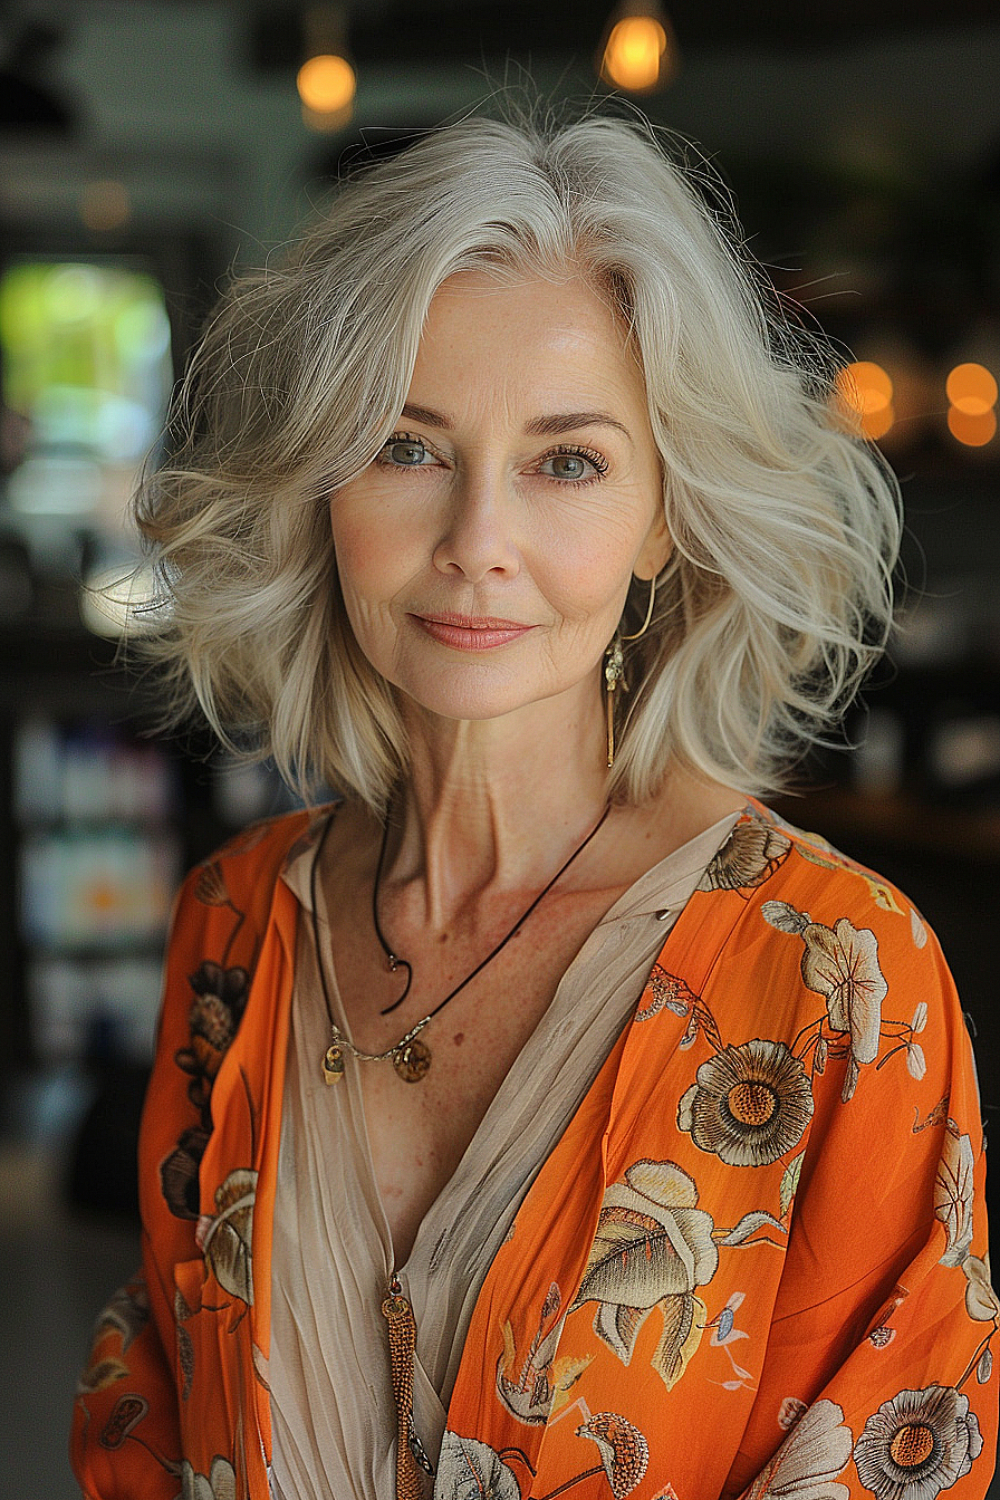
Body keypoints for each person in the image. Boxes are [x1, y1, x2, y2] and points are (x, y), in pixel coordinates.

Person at [71, 109, 997, 1500]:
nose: (476, 546)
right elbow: (144, 1418)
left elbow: (903, 1458)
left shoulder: (838, 976)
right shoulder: (237, 923)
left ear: (665, 511)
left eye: (567, 461)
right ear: (324, 483)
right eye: (406, 446)